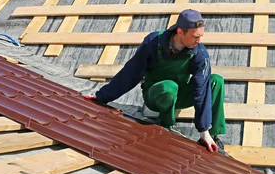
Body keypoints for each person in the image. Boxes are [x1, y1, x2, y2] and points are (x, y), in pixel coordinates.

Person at [85, 9, 227, 153]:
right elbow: (131, 72)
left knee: (216, 80)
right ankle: (166, 123)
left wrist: (204, 130)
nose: (199, 41)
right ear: (180, 32)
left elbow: (201, 89)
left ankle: (213, 135)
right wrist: (102, 96)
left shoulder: (199, 53)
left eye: (201, 36)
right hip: (155, 96)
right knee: (168, 87)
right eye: (195, 36)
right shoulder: (154, 42)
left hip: (178, 96)